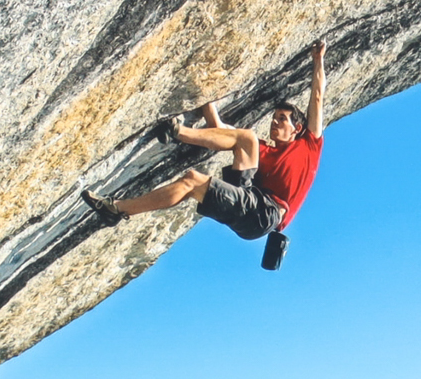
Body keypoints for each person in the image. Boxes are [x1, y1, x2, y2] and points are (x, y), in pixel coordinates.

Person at [82, 39, 326, 241]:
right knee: (246, 138)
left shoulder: (309, 145)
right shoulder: (263, 151)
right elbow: (219, 130)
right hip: (249, 195)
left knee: (192, 181)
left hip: (263, 214)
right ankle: (176, 133)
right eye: (274, 118)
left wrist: (318, 59)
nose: (274, 122)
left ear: (298, 128)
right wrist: (205, 95)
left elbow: (317, 97)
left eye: (282, 119)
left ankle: (119, 207)